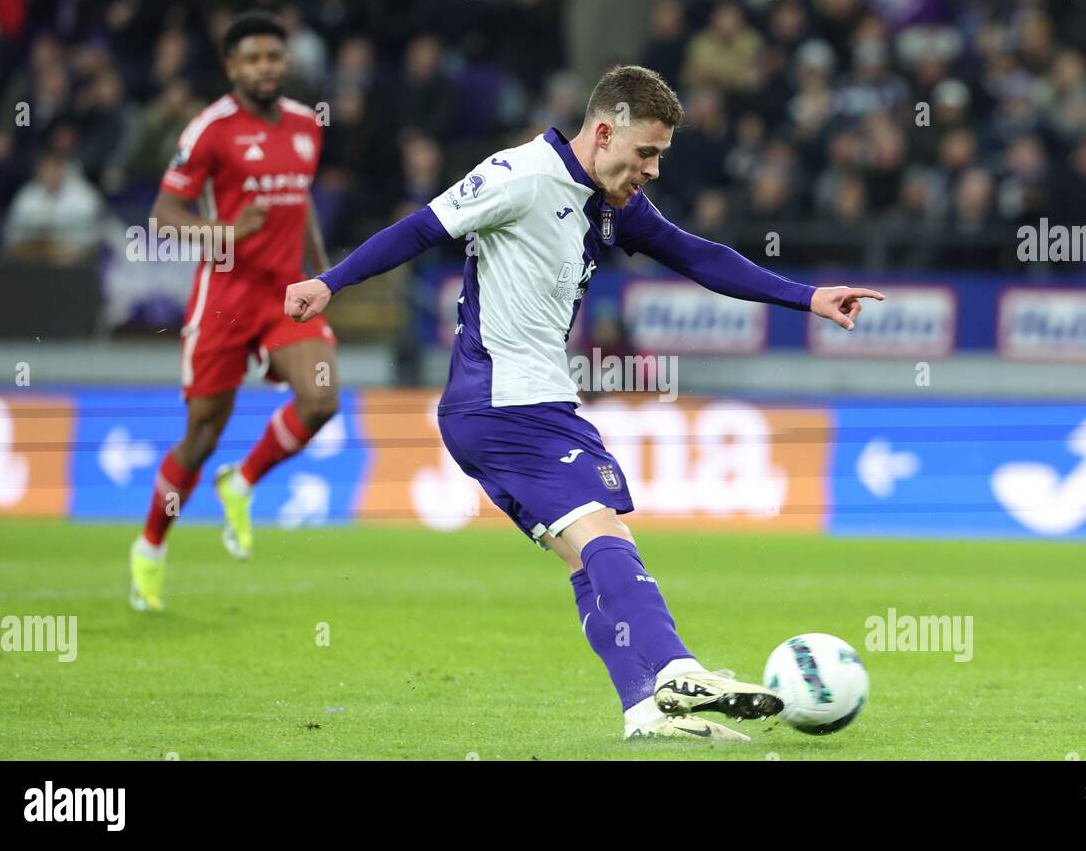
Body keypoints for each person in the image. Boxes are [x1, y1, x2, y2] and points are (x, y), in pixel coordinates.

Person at [284, 65, 883, 740]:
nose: (652, 170)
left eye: (659, 157)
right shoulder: (520, 175)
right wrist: (331, 283)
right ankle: (676, 667)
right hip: (506, 403)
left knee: (589, 555)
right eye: (646, 154)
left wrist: (807, 296)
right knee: (603, 530)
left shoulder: (610, 200)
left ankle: (642, 708)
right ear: (603, 133)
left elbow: (696, 254)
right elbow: (422, 228)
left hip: (517, 405)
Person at [129, 12, 337, 612]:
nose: (265, 68)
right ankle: (150, 547)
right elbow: (163, 215)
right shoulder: (209, 130)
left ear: (285, 62)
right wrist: (221, 228)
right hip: (223, 300)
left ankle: (242, 482)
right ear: (232, 67)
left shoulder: (306, 126)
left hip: (285, 296)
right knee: (199, 437)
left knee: (321, 398)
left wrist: (322, 278)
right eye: (253, 59)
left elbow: (304, 208)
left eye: (274, 57)